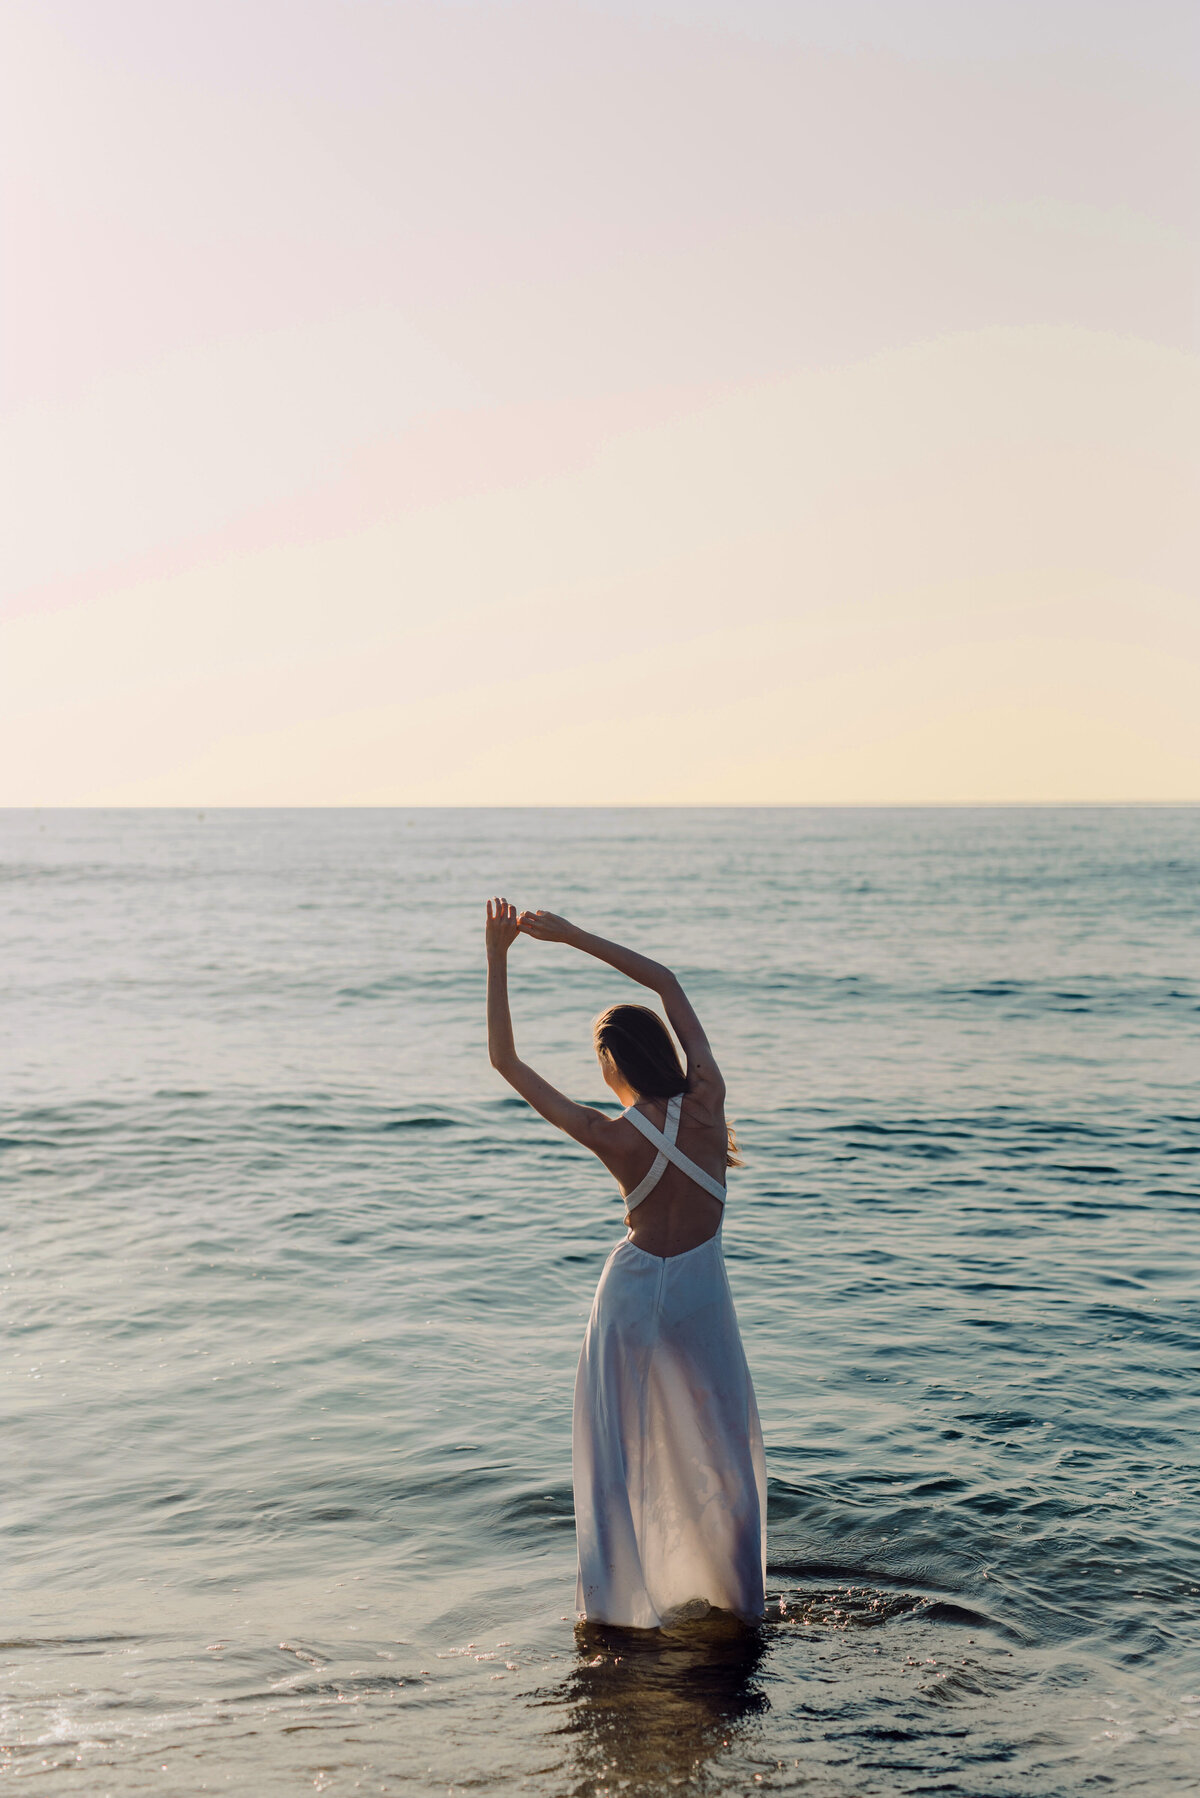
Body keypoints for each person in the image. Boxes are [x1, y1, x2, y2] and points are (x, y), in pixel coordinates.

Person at [484, 897, 766, 1629]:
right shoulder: (708, 1100)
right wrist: (571, 937)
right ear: (664, 1052)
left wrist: (498, 957)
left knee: (619, 1454)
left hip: (633, 1294)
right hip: (701, 1292)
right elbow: (666, 983)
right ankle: (736, 1602)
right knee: (723, 1449)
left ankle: (617, 1612)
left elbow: (505, 1062)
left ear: (610, 1063)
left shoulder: (609, 1134)